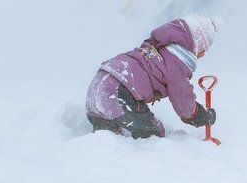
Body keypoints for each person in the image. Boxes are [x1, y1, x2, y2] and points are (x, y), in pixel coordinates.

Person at [85, 14, 221, 138]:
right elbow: (182, 99)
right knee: (153, 134)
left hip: (96, 89)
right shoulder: (177, 62)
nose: (202, 55)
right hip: (118, 92)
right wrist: (199, 115)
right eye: (203, 51)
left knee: (107, 138)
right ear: (197, 46)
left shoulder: (155, 49)